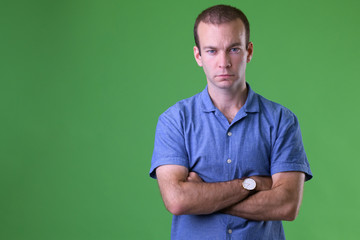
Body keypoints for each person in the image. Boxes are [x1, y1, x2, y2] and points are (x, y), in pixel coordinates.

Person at [149, 4, 312, 240]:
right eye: (212, 51)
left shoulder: (281, 121)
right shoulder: (174, 121)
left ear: (249, 51)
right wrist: (252, 184)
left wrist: (202, 197)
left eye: (233, 49)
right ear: (198, 56)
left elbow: (286, 205)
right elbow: (177, 201)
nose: (223, 62)